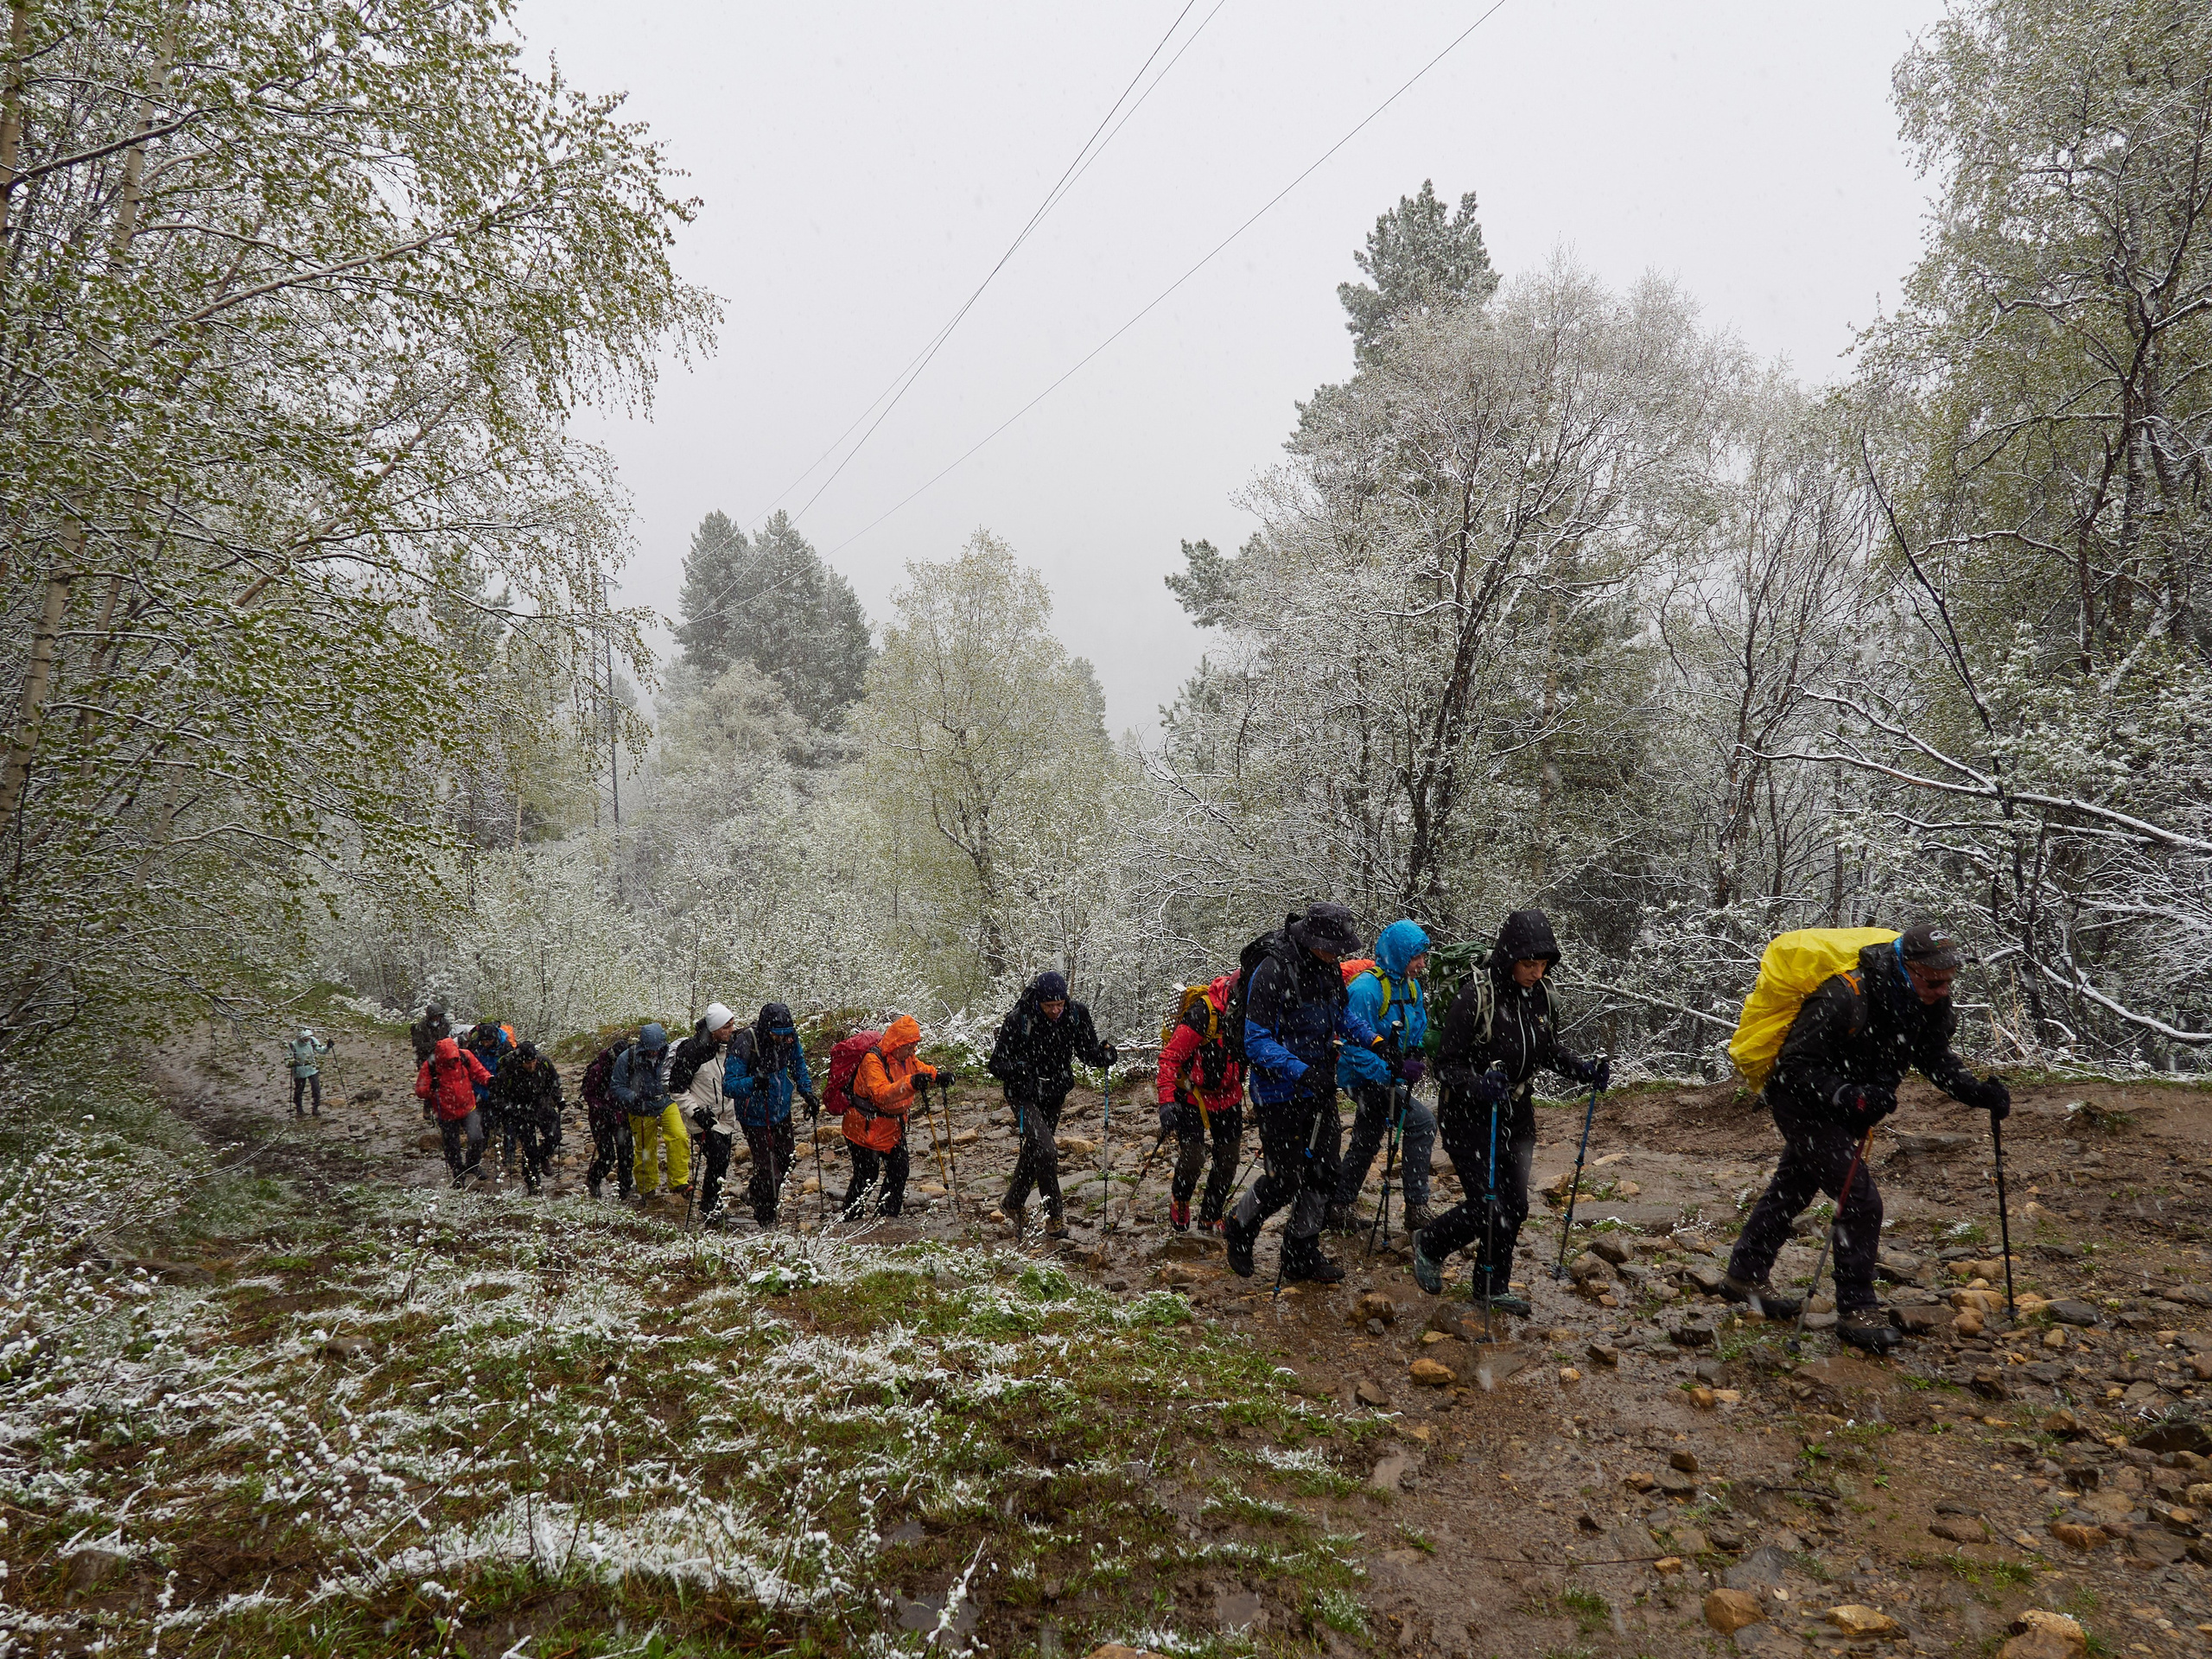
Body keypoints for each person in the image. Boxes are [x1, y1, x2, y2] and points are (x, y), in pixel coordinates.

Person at [1721, 924, 2010, 1352]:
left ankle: (1744, 1276)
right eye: (1934, 981)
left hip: (1849, 1104)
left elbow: (1933, 1056)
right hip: (1804, 1104)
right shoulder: (1844, 995)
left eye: (1949, 981)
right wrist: (1850, 1096)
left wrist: (1976, 1093)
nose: (1943, 990)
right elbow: (1793, 1069)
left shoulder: (1925, 1000)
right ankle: (1856, 1311)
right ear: (1906, 967)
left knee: (1793, 1188)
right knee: (1860, 1201)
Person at [1412, 909, 1606, 1316]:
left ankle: (1490, 1285)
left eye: (1542, 964)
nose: (1536, 972)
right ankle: (1430, 1244)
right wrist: (1478, 1084)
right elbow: (1446, 1064)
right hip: (1468, 1116)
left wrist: (1583, 1071)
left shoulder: (1539, 996)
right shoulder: (1476, 996)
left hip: (1517, 1112)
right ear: (1509, 958)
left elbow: (1547, 1048)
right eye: (1528, 964)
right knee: (1487, 1203)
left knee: (1515, 1206)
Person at [1224, 905, 1379, 1285]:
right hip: (1278, 1091)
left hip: (1319, 1084)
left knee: (1326, 1172)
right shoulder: (1273, 970)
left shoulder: (1325, 966)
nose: (1337, 955)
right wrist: (1302, 1072)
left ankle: (1300, 1252)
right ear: (1313, 940)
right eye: (1332, 947)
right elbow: (1256, 1040)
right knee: (1284, 1179)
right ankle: (1240, 1226)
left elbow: (1341, 1015)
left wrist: (1378, 1041)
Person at [1328, 919, 1438, 1235]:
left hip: (1386, 1076)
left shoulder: (1409, 986)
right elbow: (1349, 1047)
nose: (1421, 964)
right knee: (1422, 1123)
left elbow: (1417, 1025)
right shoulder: (1365, 989)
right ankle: (1416, 1208)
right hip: (1360, 1077)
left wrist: (1414, 1053)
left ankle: (1339, 1204)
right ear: (1400, 954)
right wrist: (1390, 1069)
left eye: (1422, 957)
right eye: (1416, 957)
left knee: (1367, 1135)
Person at [988, 971, 1116, 1239]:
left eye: (1059, 1004)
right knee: (1046, 1151)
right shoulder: (1020, 1018)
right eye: (1049, 1006)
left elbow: (1086, 1051)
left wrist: (1104, 1055)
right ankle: (1053, 1216)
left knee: (1036, 1149)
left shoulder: (1075, 1014)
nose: (1055, 1011)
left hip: (1055, 1092)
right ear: (1039, 1002)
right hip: (1023, 1095)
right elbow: (996, 1064)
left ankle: (1013, 1202)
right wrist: (1019, 1069)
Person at [1154, 974, 1243, 1233]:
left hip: (1230, 1095)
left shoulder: (1254, 1011)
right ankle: (1180, 1199)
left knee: (1228, 1160)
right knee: (1193, 1157)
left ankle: (1211, 1214)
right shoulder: (1203, 1013)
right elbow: (1169, 1058)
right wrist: (1166, 1102)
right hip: (1192, 1094)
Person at [722, 1002, 817, 1228]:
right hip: (754, 1115)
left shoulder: (789, 1038)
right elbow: (729, 1086)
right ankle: (766, 1219)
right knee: (767, 1170)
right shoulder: (746, 1042)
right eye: (777, 1035)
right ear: (766, 1029)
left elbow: (797, 1064)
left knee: (786, 1161)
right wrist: (754, 1082)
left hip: (781, 1109)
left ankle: (754, 1193)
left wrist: (808, 1093)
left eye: (785, 1035)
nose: (781, 1039)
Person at [843, 1014, 935, 1219]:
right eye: (910, 1046)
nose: (914, 1051)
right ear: (897, 1044)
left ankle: (886, 1219)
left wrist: (937, 1076)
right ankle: (849, 1220)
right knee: (866, 1177)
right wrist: (911, 1083)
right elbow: (882, 1094)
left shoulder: (906, 1058)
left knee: (899, 1171)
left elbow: (921, 1070)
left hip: (892, 1127)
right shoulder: (872, 1061)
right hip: (864, 1128)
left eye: (915, 1046)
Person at [671, 1004, 738, 1223]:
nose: (731, 1030)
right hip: (701, 1118)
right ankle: (709, 1208)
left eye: (732, 1025)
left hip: (726, 1115)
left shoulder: (730, 1045)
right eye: (727, 1027)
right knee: (718, 1157)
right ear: (714, 1029)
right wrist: (696, 1112)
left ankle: (714, 1204)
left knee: (722, 1160)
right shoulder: (692, 1051)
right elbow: (677, 1088)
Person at [611, 1023, 686, 1200]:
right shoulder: (627, 1058)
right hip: (640, 1109)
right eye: (651, 1050)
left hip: (667, 1102)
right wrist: (632, 1097)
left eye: (658, 1049)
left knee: (679, 1136)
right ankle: (647, 1187)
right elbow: (616, 1086)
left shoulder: (670, 1054)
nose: (654, 1053)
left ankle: (679, 1182)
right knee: (645, 1149)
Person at [487, 1041, 564, 1194]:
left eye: (533, 1061)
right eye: (527, 1063)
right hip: (520, 1111)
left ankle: (543, 1156)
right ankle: (533, 1184)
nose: (531, 1066)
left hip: (542, 1106)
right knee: (529, 1149)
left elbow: (554, 1081)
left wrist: (558, 1098)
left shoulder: (544, 1063)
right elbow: (496, 1096)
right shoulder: (509, 1070)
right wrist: (510, 1109)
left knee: (555, 1137)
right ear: (520, 1061)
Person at [416, 1035, 492, 1186]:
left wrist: (490, 1081)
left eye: (454, 1058)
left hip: (468, 1107)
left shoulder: (464, 1056)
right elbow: (420, 1090)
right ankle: (458, 1174)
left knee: (477, 1138)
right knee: (452, 1146)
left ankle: (473, 1165)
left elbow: (479, 1072)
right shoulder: (430, 1066)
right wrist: (431, 1088)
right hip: (446, 1113)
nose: (453, 1062)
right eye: (449, 1059)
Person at [579, 1033, 634, 1202]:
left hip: (621, 1115)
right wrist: (603, 1109)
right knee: (607, 1155)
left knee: (626, 1153)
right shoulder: (597, 1070)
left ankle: (625, 1189)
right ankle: (593, 1181)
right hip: (600, 1118)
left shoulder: (630, 1066)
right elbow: (588, 1095)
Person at [284, 1027, 334, 1119]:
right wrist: (293, 1063)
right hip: (299, 1071)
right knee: (299, 1090)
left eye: (308, 1037)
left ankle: (315, 1108)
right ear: (300, 1038)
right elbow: (287, 1062)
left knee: (316, 1088)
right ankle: (299, 1109)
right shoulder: (292, 1045)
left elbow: (321, 1051)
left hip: (312, 1068)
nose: (307, 1039)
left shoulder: (312, 1041)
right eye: (305, 1038)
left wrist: (328, 1047)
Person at [410, 1002, 451, 1066]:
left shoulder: (445, 1025)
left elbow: (449, 1038)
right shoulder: (421, 1027)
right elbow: (418, 1046)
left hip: (443, 1054)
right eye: (435, 1016)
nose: (437, 1018)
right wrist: (436, 1045)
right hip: (426, 1056)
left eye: (439, 1016)